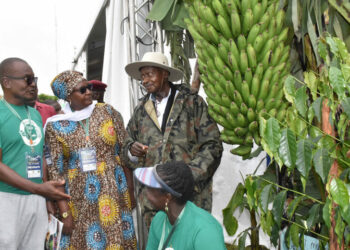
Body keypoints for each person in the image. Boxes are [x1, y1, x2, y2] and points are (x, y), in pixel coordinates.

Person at [122, 52, 223, 228]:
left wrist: (188, 178)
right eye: (143, 76)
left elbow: (213, 145)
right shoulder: (140, 110)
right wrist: (131, 151)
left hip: (190, 199)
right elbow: (125, 145)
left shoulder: (192, 103)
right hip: (153, 202)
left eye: (150, 74)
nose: (145, 80)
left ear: (165, 73)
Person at [45, 70, 137, 249]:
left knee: (117, 238)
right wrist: (64, 212)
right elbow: (55, 173)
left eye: (88, 87)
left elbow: (123, 151)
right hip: (79, 197)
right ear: (68, 96)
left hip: (114, 188)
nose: (89, 92)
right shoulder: (55, 126)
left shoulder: (107, 111)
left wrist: (131, 191)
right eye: (82, 90)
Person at [0, 57, 70, 249]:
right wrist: (39, 189)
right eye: (27, 79)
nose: (33, 85)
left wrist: (45, 195)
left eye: (35, 80)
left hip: (37, 199)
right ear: (6, 82)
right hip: (7, 199)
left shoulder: (35, 114)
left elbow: (39, 156)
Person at [134, 161, 226, 250]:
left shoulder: (205, 231)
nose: (146, 193)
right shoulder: (159, 220)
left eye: (150, 189)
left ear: (167, 197)